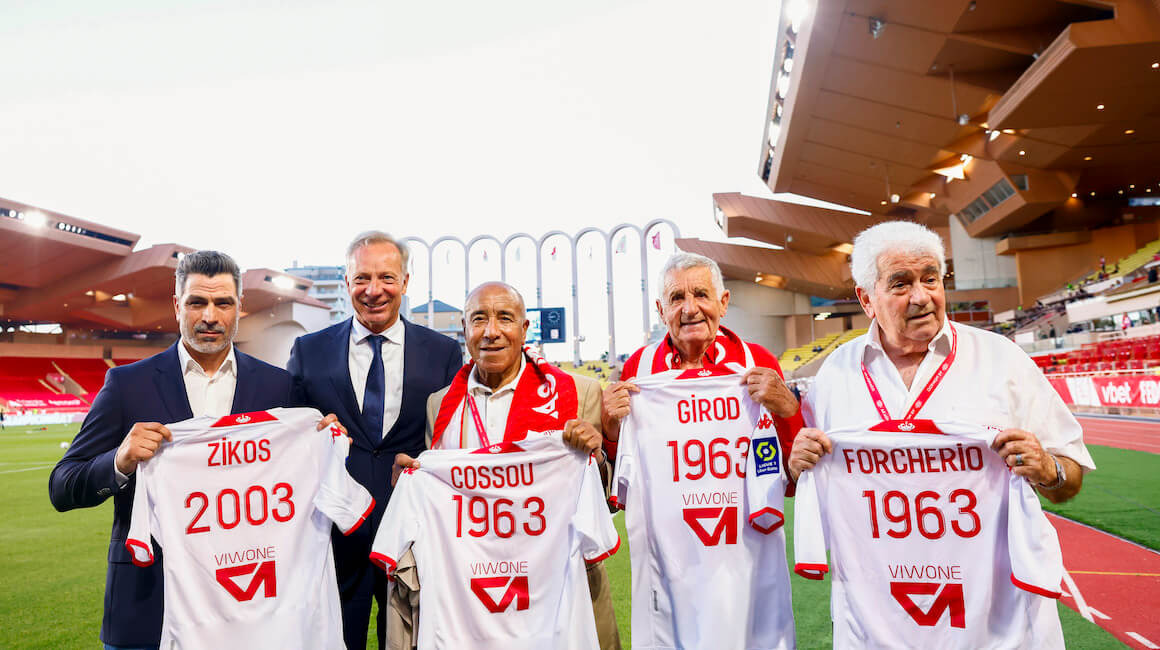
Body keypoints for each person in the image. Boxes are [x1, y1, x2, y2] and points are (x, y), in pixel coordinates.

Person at [788, 221, 1094, 640]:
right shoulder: (834, 378)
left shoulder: (1001, 359)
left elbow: (1069, 481)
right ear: (866, 299)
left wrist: (1046, 468)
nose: (922, 296)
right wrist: (799, 464)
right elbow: (812, 486)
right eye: (900, 284)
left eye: (930, 278)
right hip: (879, 630)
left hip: (999, 632)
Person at [48, 250, 324, 650]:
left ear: (239, 308)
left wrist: (324, 442)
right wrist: (119, 462)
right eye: (197, 302)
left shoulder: (277, 388)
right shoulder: (127, 385)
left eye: (222, 303)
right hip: (149, 606)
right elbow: (62, 486)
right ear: (178, 305)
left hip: (248, 607)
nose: (210, 316)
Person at [395, 281, 620, 649]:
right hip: (472, 594)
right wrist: (409, 480)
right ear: (465, 330)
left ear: (524, 328)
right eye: (479, 319)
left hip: (559, 587)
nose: (491, 331)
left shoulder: (578, 394)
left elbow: (604, 499)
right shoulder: (440, 405)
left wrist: (597, 454)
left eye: (505, 318)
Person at [287, 231, 461, 650]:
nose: (373, 290)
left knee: (408, 638)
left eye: (386, 277)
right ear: (347, 284)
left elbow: (454, 442)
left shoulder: (443, 353)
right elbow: (289, 438)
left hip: (413, 531)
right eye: (362, 278)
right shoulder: (309, 351)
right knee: (332, 637)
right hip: (331, 533)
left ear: (405, 281)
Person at [602, 252, 802, 467]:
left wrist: (789, 411)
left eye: (701, 295)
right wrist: (611, 431)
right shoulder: (639, 366)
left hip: (743, 501)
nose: (690, 309)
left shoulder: (758, 360)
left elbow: (793, 472)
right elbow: (624, 468)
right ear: (661, 310)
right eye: (677, 298)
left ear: (723, 303)